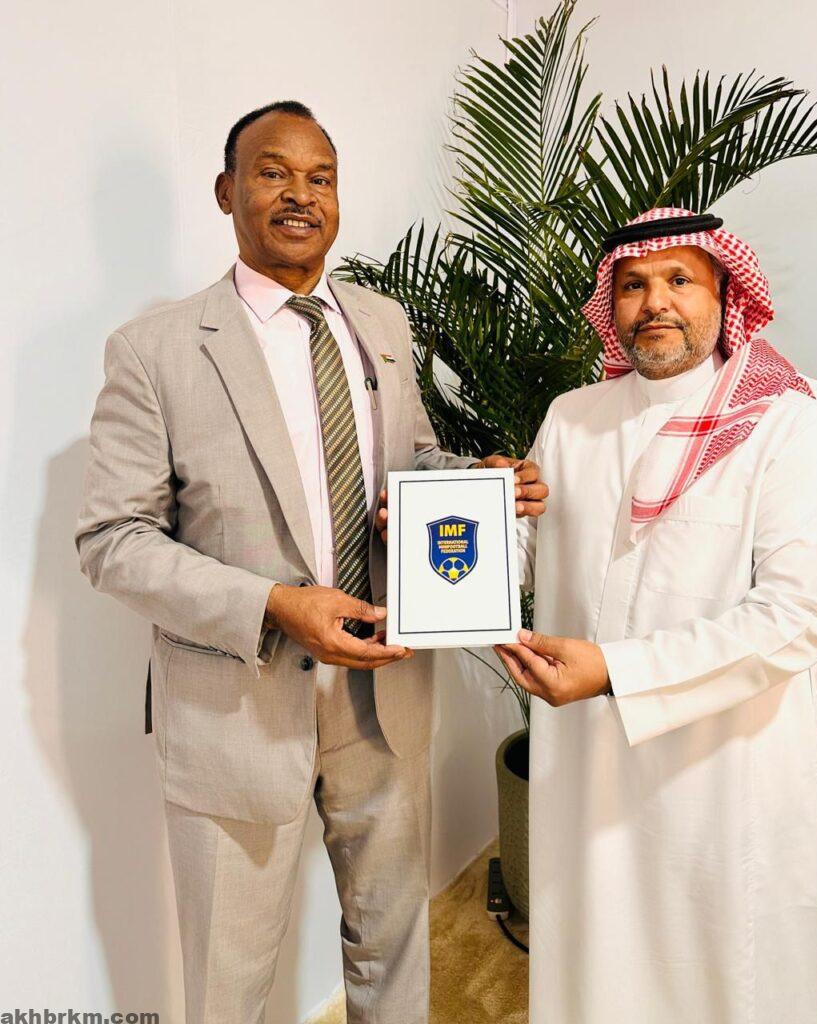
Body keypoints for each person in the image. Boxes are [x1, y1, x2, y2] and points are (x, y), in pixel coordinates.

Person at [75, 100, 547, 1024]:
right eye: (273, 172)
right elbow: (112, 540)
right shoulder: (155, 350)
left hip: (386, 695)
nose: (301, 194)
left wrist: (476, 481)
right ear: (227, 192)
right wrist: (272, 604)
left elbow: (409, 462)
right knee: (229, 980)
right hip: (237, 711)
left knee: (394, 945)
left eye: (319, 177)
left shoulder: (380, 322)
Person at [496, 207, 817, 1024]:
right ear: (611, 305)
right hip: (588, 761)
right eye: (632, 286)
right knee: (597, 959)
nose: (654, 301)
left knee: (726, 968)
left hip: (723, 770)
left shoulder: (787, 425)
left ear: (724, 297)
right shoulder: (572, 417)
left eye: (678, 280)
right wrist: (463, 522)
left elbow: (797, 615)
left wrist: (616, 672)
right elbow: (526, 549)